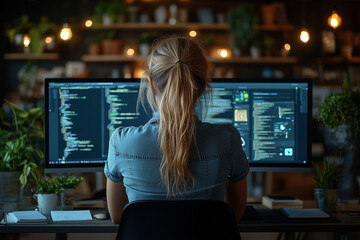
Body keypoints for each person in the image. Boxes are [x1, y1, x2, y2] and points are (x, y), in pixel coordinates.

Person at [104, 35, 249, 223]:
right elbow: (235, 215)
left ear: (152, 84)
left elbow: (117, 217)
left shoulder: (121, 141)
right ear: (203, 86)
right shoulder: (227, 139)